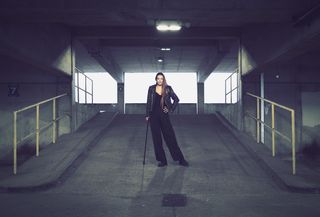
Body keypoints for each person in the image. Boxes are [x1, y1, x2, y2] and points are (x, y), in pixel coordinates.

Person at [145, 72, 189, 167]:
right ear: (156, 79)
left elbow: (176, 99)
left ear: (163, 79)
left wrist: (170, 108)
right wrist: (147, 114)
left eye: (161, 78)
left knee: (170, 138)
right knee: (157, 140)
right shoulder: (151, 88)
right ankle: (162, 161)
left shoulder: (168, 88)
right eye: (158, 78)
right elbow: (148, 101)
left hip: (164, 116)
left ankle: (181, 159)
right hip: (153, 117)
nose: (160, 80)